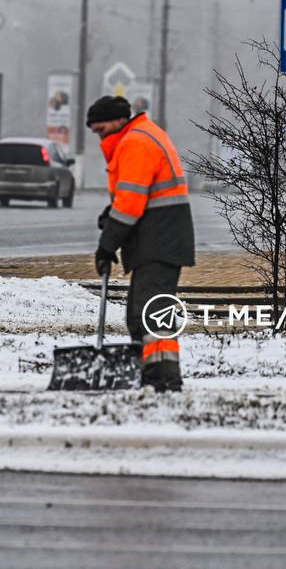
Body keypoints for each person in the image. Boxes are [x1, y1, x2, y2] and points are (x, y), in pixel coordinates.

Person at [86, 95, 195, 392]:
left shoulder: (136, 143)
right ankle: (149, 374)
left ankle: (163, 378)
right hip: (158, 239)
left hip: (159, 241)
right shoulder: (141, 136)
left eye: (101, 127)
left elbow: (131, 204)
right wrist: (112, 215)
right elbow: (135, 196)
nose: (99, 134)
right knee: (140, 314)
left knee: (151, 314)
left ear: (120, 121)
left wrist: (107, 245)